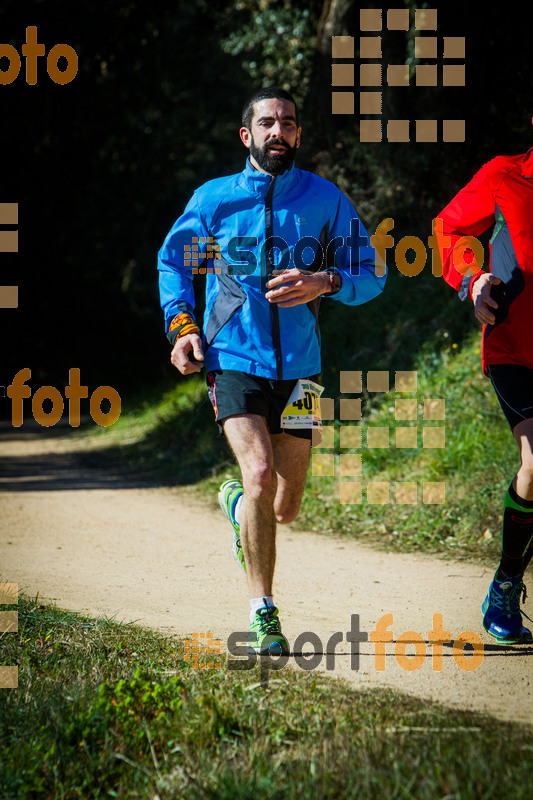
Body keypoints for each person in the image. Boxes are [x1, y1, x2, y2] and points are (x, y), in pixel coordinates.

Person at [158, 86, 386, 655]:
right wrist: (183, 327)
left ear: (299, 134)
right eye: (266, 123)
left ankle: (239, 509)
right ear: (247, 135)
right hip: (233, 358)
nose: (277, 131)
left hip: (302, 369)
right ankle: (264, 613)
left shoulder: (325, 199)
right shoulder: (214, 201)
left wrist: (326, 281)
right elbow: (172, 263)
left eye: (287, 122)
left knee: (284, 504)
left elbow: (371, 273)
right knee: (259, 472)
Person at [437, 142, 533, 643]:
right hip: (515, 349)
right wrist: (471, 281)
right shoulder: (504, 174)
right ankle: (508, 581)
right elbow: (448, 229)